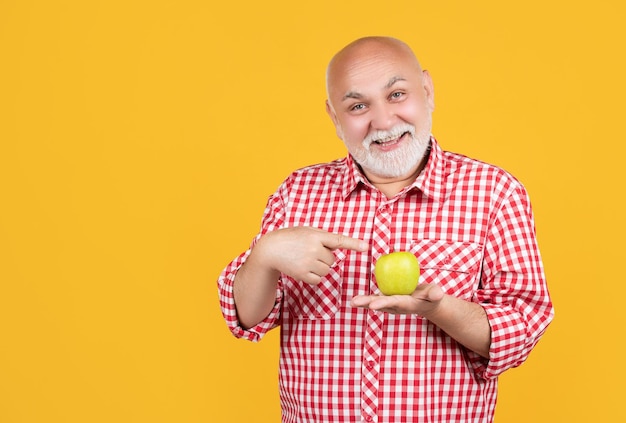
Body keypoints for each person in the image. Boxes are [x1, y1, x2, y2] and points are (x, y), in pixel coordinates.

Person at [217, 36, 553, 423]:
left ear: (426, 90)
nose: (383, 121)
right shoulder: (297, 194)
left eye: (396, 94)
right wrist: (266, 254)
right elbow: (245, 317)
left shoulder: (495, 192)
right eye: (358, 105)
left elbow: (522, 329)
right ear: (334, 118)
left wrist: (440, 309)